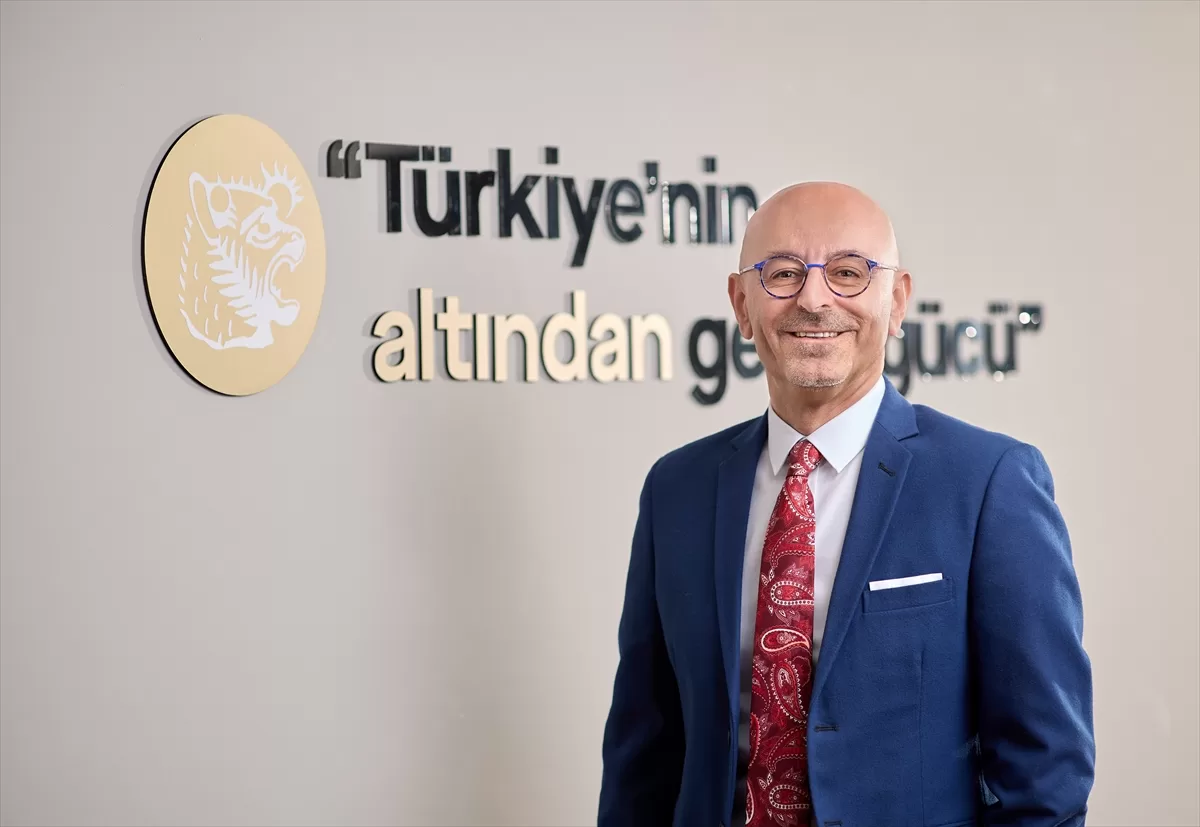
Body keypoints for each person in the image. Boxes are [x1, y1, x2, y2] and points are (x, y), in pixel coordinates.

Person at [596, 182, 1095, 827]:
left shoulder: (988, 482)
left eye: (849, 272)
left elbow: (1046, 768)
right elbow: (643, 753)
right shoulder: (677, 489)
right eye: (782, 274)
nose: (813, 298)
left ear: (898, 300)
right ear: (741, 305)